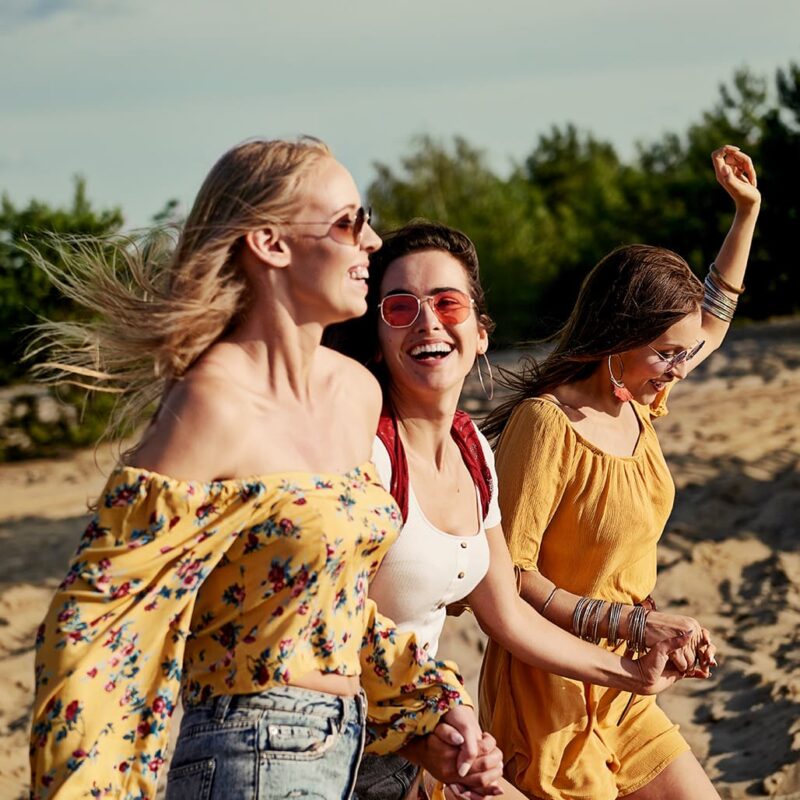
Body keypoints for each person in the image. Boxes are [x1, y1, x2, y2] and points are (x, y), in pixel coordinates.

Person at [27, 138, 495, 800]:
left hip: (349, 744)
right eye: (348, 222)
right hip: (243, 753)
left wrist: (428, 709)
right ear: (271, 243)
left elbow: (338, 599)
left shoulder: (353, 392)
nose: (373, 241)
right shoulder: (213, 402)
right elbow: (98, 617)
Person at [325, 221, 707, 800]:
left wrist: (634, 672)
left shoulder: (472, 452)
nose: (428, 320)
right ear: (377, 337)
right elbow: (326, 631)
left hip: (422, 738)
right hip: (337, 750)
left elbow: (505, 613)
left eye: (447, 302)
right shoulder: (361, 453)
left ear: (481, 332)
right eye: (401, 308)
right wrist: (434, 725)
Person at [479, 145, 760, 800]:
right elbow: (512, 579)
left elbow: (711, 321)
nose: (678, 370)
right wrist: (630, 626)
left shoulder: (640, 398)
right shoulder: (546, 425)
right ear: (618, 335)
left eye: (680, 355)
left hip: (627, 687)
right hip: (549, 693)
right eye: (664, 354)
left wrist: (746, 214)